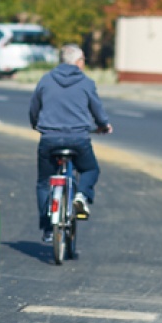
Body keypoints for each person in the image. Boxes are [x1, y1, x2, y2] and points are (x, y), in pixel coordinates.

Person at [28, 43, 112, 243]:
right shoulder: (86, 82)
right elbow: (97, 109)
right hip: (78, 140)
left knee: (43, 182)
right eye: (83, 60)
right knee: (91, 169)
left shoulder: (46, 80)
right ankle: (81, 196)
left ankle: (48, 229)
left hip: (49, 139)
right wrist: (104, 125)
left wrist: (36, 125)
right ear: (78, 62)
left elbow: (34, 109)